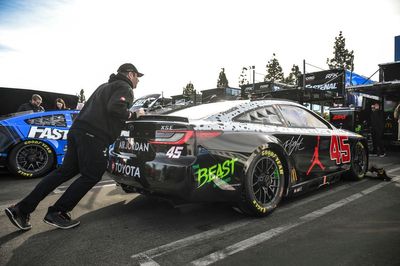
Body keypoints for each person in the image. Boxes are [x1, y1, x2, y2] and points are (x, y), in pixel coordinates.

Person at [5, 63, 144, 230]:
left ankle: (21, 209)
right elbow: (116, 108)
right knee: (92, 175)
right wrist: (135, 114)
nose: (138, 81)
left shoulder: (104, 86)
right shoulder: (125, 86)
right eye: (137, 77)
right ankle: (57, 212)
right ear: (130, 74)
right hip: (94, 136)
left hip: (77, 131)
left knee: (63, 172)